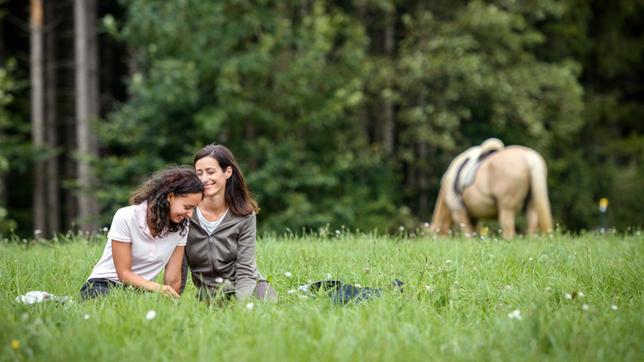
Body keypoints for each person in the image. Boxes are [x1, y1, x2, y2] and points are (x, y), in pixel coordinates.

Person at [80, 167, 204, 300]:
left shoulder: (181, 227)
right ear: (170, 196)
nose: (190, 215)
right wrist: (157, 288)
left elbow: (173, 279)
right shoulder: (126, 216)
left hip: (141, 292)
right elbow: (123, 273)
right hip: (104, 285)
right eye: (187, 207)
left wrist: (171, 305)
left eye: (194, 209)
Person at [181, 144, 277, 302]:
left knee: (267, 305)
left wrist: (241, 307)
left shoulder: (245, 215)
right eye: (199, 173)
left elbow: (246, 270)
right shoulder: (186, 213)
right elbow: (180, 269)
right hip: (210, 293)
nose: (204, 179)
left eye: (210, 172)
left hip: (248, 287)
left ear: (228, 172)